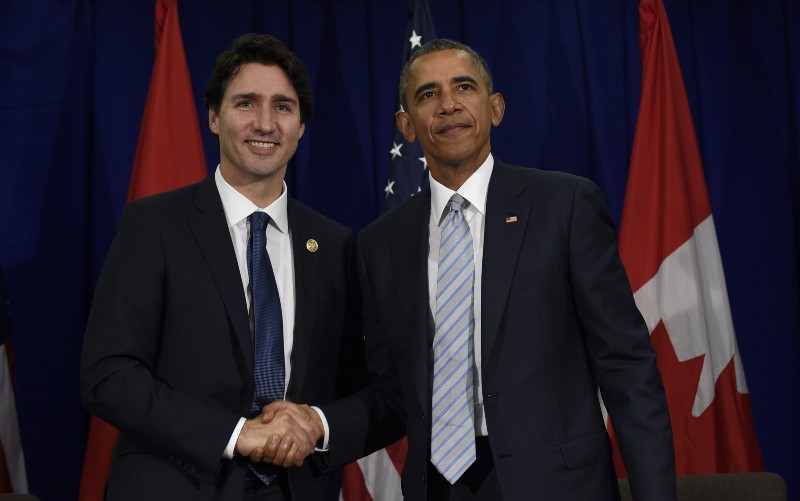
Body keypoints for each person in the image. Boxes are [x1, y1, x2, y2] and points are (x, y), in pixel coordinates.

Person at [265, 38, 676, 500]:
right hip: (437, 487)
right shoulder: (380, 244)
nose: (448, 105)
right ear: (407, 125)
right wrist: (316, 424)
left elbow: (625, 365)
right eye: (427, 94)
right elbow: (393, 393)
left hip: (558, 486)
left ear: (495, 107)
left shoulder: (564, 207)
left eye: (464, 87)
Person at [80, 33, 365, 501]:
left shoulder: (334, 244)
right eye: (246, 104)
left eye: (283, 107)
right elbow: (107, 375)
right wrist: (236, 433)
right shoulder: (154, 225)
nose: (265, 123)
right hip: (177, 485)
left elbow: (363, 387)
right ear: (213, 117)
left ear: (301, 126)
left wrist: (318, 423)